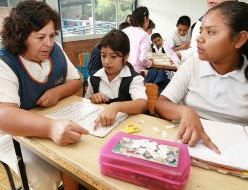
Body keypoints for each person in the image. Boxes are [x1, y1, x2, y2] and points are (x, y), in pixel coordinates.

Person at [0, 1, 88, 190]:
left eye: (52, 36)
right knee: (46, 176)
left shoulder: (57, 51)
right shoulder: (2, 62)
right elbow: (2, 116)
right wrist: (50, 128)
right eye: (40, 37)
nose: (49, 44)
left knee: (77, 160)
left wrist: (57, 92)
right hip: (6, 132)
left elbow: (77, 81)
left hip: (47, 118)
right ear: (20, 37)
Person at [155, 1, 248, 154]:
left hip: (235, 153)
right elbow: (161, 104)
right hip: (190, 146)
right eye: (201, 31)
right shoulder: (192, 65)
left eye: (211, 32)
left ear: (239, 39)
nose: (199, 38)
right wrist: (185, 112)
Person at [85, 29, 147, 128]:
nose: (106, 61)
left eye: (113, 57)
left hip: (126, 128)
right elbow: (86, 101)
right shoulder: (94, 78)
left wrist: (116, 106)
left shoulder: (134, 79)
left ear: (125, 57)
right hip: (101, 127)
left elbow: (142, 104)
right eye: (103, 55)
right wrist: (93, 98)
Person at [123, 6, 153, 73]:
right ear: (145, 19)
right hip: (137, 72)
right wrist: (150, 63)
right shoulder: (144, 35)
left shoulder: (124, 31)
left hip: (122, 70)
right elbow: (143, 58)